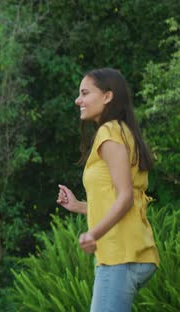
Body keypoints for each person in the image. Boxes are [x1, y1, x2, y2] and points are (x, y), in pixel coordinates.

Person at [56, 68, 159, 311]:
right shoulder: (123, 131)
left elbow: (124, 199)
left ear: (107, 96)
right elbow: (121, 196)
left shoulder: (109, 133)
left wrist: (93, 234)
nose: (77, 100)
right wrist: (78, 206)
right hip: (129, 252)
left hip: (119, 255)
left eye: (85, 93)